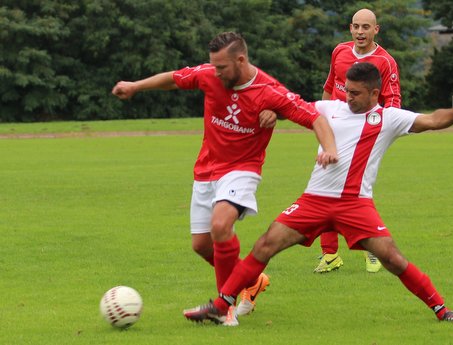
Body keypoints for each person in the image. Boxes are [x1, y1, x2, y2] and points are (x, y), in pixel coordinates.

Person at [183, 62, 453, 326]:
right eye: (346, 90)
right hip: (313, 201)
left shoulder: (390, 119)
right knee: (264, 245)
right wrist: (270, 113)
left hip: (355, 205)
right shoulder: (329, 108)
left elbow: (433, 120)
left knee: (392, 258)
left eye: (355, 93)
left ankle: (443, 311)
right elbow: (289, 107)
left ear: (375, 94)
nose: (347, 97)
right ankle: (221, 307)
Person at [112, 32, 338, 317]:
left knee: (221, 226)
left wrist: (328, 148)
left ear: (241, 60)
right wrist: (135, 86)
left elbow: (314, 117)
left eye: (222, 67)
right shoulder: (209, 75)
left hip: (243, 169)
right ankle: (250, 280)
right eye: (213, 66)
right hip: (206, 168)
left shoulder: (269, 91)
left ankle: (223, 310)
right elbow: (174, 78)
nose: (215, 72)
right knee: (201, 245)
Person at [317, 8, 401, 274]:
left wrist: (384, 133)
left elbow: (394, 102)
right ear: (350, 28)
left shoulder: (385, 61)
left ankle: (372, 251)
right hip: (333, 130)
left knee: (357, 192)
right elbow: (330, 87)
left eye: (366, 27)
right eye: (356, 27)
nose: (360, 32)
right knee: (323, 190)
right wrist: (323, 120)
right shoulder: (339, 52)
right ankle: (330, 255)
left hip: (364, 133)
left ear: (376, 30)